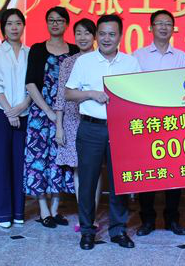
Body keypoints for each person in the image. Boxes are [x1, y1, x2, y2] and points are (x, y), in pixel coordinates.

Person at [65, 14, 142, 250]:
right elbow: (68, 93)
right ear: (97, 35)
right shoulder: (84, 62)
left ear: (120, 36)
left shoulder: (130, 63)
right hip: (90, 128)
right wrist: (90, 94)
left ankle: (118, 231)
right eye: (103, 34)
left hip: (120, 129)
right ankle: (87, 231)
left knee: (120, 183)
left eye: (112, 34)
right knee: (87, 182)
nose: (107, 38)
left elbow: (139, 95)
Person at [132, 10, 185, 237]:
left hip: (174, 122)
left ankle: (172, 219)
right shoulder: (138, 56)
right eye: (159, 23)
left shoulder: (181, 57)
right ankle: (147, 220)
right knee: (147, 173)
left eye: (168, 24)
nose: (164, 27)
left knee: (174, 173)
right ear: (151, 27)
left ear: (173, 29)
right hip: (146, 123)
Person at [24, 6, 78, 228]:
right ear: (47, 23)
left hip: (67, 114)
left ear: (66, 24)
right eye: (51, 20)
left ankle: (55, 209)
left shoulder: (75, 50)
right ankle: (43, 209)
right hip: (40, 114)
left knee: (59, 160)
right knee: (38, 161)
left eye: (60, 20)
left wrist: (59, 114)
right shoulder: (37, 49)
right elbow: (30, 83)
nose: (55, 24)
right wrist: (47, 110)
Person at [0, 8, 31, 228]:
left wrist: (23, 105)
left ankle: (18, 211)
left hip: (25, 112)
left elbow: (34, 85)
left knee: (20, 163)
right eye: (9, 23)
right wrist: (9, 110)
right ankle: (2, 214)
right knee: (0, 163)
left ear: (23, 26)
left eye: (18, 23)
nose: (14, 27)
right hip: (1, 113)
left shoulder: (30, 52)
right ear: (3, 28)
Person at [52, 18, 104, 233]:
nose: (82, 37)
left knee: (95, 169)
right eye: (78, 33)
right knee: (78, 168)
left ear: (95, 36)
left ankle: (93, 214)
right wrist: (59, 126)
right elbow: (61, 96)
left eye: (87, 33)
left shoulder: (102, 59)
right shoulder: (68, 62)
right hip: (73, 120)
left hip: (96, 120)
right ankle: (85, 216)